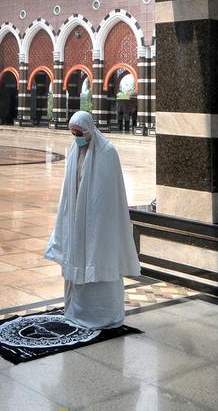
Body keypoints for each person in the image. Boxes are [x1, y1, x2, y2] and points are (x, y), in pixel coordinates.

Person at [45, 110, 141, 329]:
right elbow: (69, 189)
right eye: (73, 133)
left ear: (89, 130)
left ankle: (102, 315)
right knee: (78, 260)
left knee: (98, 259)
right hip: (77, 220)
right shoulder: (74, 150)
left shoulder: (108, 152)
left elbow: (110, 195)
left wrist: (96, 217)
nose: (77, 137)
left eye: (79, 133)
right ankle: (77, 311)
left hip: (100, 224)